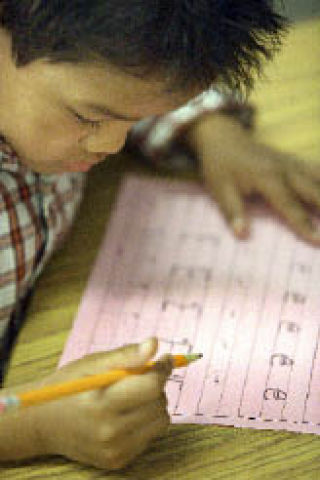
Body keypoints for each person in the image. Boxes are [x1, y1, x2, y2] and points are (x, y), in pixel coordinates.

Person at [0, 0, 319, 470]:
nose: (112, 144)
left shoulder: (75, 66)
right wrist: (30, 427)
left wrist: (211, 132)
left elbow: (136, 83)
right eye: (88, 119)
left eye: (130, 122)